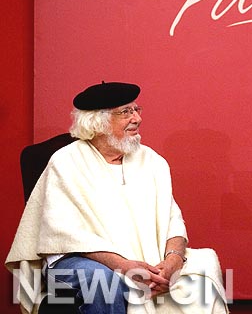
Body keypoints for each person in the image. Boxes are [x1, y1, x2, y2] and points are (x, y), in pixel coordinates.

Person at [6, 81, 230, 314]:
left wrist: (172, 261)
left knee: (205, 266)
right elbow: (64, 235)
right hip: (77, 261)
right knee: (104, 282)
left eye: (136, 110)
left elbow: (172, 220)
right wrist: (123, 266)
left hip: (145, 258)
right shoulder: (66, 162)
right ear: (98, 122)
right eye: (126, 112)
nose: (137, 118)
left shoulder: (152, 161)